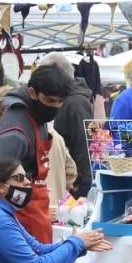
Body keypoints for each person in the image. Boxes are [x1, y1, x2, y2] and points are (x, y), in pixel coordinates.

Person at [0, 62, 73, 243]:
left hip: (36, 208)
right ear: (32, 93)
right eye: (49, 101)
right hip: (19, 214)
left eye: (60, 102)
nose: (55, 107)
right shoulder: (16, 132)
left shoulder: (37, 116)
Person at [52, 57, 97, 196]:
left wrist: (78, 179)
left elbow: (83, 143)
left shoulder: (75, 102)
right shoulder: (67, 99)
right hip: (67, 175)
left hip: (74, 180)